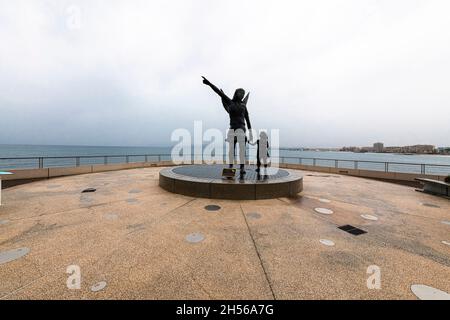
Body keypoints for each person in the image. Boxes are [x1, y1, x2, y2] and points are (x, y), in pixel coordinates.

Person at [202, 76, 253, 175]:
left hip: (242, 129)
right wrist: (209, 84)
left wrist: (250, 131)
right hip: (232, 129)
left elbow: (247, 118)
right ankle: (230, 166)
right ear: (236, 93)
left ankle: (242, 167)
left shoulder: (244, 106)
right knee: (231, 150)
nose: (242, 95)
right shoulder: (230, 102)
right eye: (240, 93)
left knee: (242, 150)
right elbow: (219, 93)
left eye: (243, 93)